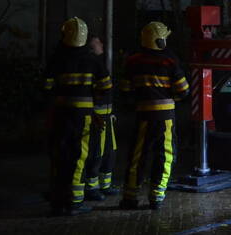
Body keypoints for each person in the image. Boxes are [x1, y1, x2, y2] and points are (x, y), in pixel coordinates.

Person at [42, 17, 111, 216]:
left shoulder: (56, 58)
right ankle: (75, 202)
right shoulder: (93, 61)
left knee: (58, 156)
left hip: (60, 114)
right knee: (79, 157)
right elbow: (105, 87)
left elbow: (46, 87)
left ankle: (57, 201)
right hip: (84, 117)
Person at [119, 22, 189, 210]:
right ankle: (156, 196)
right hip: (165, 116)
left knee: (137, 156)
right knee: (165, 155)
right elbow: (183, 91)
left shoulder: (133, 61)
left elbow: (125, 91)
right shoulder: (169, 60)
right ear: (160, 40)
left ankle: (130, 196)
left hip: (142, 115)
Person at [83, 35, 119, 200]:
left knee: (109, 152)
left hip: (107, 115)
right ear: (91, 46)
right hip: (97, 117)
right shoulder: (91, 64)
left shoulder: (97, 63)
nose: (102, 44)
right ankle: (92, 187)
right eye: (98, 42)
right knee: (96, 152)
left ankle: (105, 185)